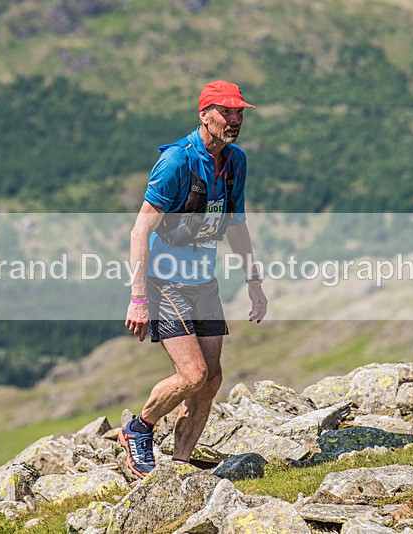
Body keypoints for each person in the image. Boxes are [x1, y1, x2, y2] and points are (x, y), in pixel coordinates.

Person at [119, 80, 268, 478]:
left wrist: (253, 281)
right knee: (193, 374)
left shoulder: (236, 161)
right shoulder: (177, 162)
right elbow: (140, 230)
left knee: (212, 378)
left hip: (204, 282)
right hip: (164, 282)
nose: (235, 120)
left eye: (239, 112)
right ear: (205, 115)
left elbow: (235, 225)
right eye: (226, 112)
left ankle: (179, 467)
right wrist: (138, 297)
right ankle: (139, 428)